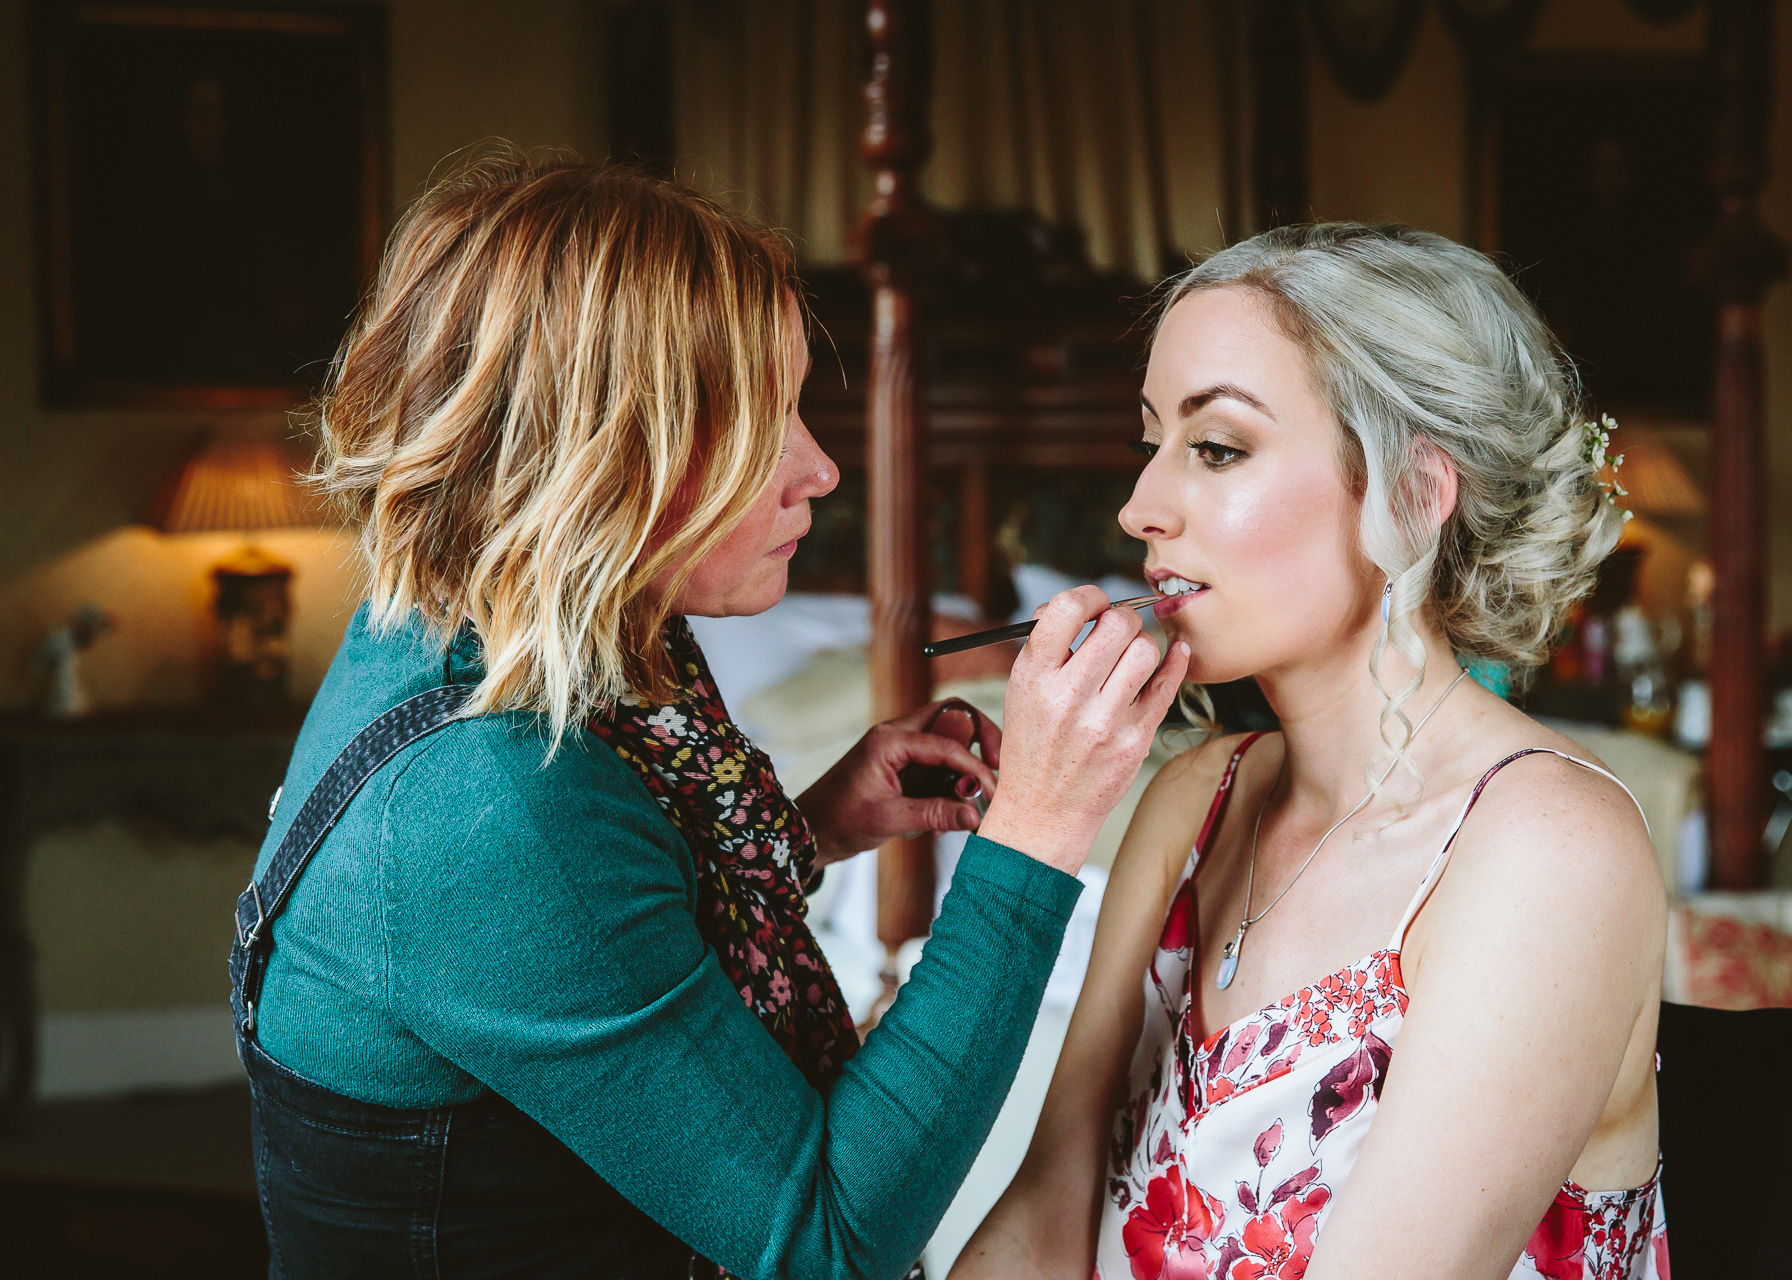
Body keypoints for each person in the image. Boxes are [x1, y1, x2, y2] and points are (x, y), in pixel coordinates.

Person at [230, 155, 1188, 1279]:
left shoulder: (482, 627)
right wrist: (1036, 828)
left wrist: (811, 824)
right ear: (606, 448)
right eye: (761, 418)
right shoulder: (483, 801)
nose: (822, 467)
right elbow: (826, 1242)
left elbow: (606, 914)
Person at [953, 223, 1669, 1279]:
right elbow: (1045, 1212)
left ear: (1416, 498)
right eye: (1148, 441)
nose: (1139, 507)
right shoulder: (1193, 802)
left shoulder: (1549, 851)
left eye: (1217, 447)